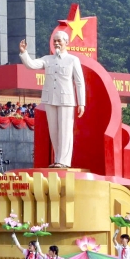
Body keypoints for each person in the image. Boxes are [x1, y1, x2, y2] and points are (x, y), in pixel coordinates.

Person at [18, 32, 85, 168]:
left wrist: (81, 103)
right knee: (54, 131)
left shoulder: (73, 60)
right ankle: (57, 159)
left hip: (66, 100)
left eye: (59, 40)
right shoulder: (47, 59)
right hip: (50, 99)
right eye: (54, 41)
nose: (56, 43)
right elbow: (31, 65)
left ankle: (64, 161)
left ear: (66, 42)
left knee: (65, 131)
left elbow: (79, 82)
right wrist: (24, 53)